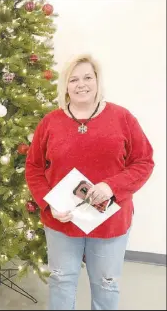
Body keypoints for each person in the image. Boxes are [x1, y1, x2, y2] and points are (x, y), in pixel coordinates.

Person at [25, 54, 154, 310]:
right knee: (61, 282)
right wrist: (49, 204)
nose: (81, 84)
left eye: (87, 77)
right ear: (65, 85)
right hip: (62, 221)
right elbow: (34, 167)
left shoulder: (122, 118)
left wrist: (111, 186)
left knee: (106, 285)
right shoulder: (50, 123)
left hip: (110, 223)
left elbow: (144, 162)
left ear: (97, 81)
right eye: (73, 79)